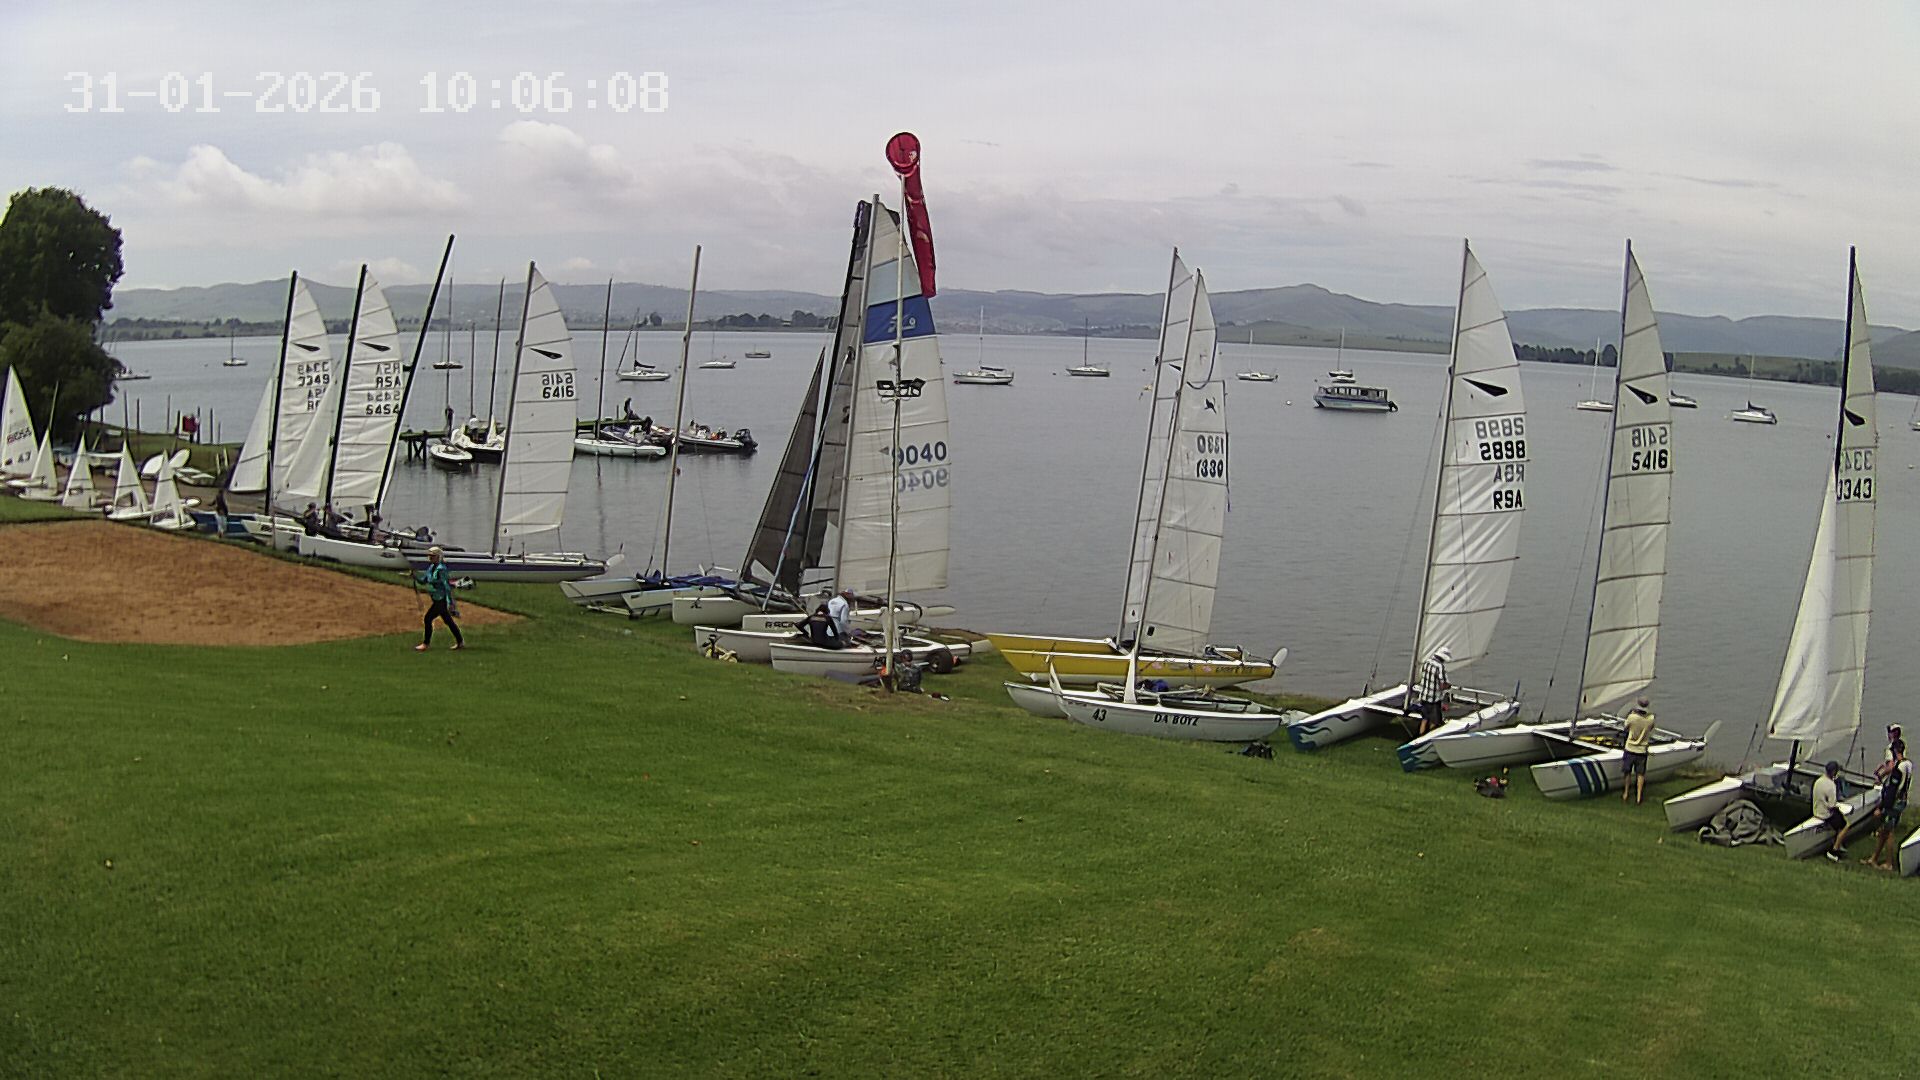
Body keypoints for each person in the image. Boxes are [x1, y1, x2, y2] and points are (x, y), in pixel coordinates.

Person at [1864, 739, 1911, 869]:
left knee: (1889, 832)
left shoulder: (1898, 768)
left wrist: (1881, 807)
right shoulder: (1908, 764)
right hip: (1901, 801)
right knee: (1883, 831)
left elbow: (1892, 791)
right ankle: (1874, 858)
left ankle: (1888, 863)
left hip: (1893, 804)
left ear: (1895, 751)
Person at [413, 546, 464, 652]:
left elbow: (446, 586)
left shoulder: (441, 569)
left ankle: (426, 643)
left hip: (441, 599)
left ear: (438, 557)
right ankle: (460, 642)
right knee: (448, 621)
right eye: (429, 556)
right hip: (436, 598)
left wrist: (450, 602)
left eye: (432, 556)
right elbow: (424, 581)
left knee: (428, 619)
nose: (430, 558)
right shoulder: (431, 568)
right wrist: (414, 576)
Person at [1621, 697, 1656, 804]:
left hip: (1630, 748)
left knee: (1627, 772)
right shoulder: (1650, 719)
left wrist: (1631, 714)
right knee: (1640, 774)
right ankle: (1639, 796)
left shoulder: (1632, 717)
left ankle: (1626, 793)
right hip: (1642, 750)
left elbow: (1625, 727)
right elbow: (1651, 728)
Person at [1813, 760, 1847, 862]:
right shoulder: (1831, 785)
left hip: (1816, 810)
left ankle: (1837, 843)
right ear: (1833, 772)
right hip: (1825, 814)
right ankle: (1834, 850)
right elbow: (1832, 805)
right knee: (1845, 825)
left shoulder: (1818, 781)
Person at [1412, 647, 1451, 736]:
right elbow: (1443, 685)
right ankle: (1429, 737)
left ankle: (1420, 736)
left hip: (1424, 696)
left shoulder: (1427, 662)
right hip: (1433, 699)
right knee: (1434, 722)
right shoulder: (1440, 667)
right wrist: (1448, 686)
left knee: (1425, 719)